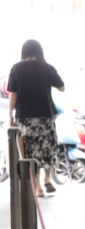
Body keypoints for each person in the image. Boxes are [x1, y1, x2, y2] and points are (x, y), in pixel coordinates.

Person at [8, 40, 64, 197]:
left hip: (25, 117)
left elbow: (13, 94)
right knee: (48, 146)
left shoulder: (16, 68)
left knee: (31, 150)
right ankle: (48, 179)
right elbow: (62, 87)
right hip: (45, 115)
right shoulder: (47, 67)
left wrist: (10, 114)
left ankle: (38, 187)